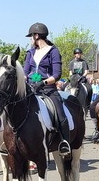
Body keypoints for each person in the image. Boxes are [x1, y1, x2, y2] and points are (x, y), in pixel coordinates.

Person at [23, 22, 71, 156]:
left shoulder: (53, 51)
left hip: (48, 89)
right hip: (31, 88)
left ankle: (64, 142)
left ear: (37, 36)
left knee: (60, 115)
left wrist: (43, 82)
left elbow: (57, 74)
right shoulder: (30, 52)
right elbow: (25, 71)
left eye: (31, 36)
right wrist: (24, 79)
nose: (30, 39)